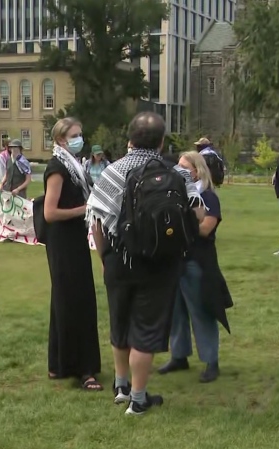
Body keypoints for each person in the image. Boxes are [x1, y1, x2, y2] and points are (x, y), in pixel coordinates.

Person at [87, 112, 205, 415]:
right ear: (162, 141)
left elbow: (97, 222)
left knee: (121, 321)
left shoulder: (112, 172)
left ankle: (122, 385)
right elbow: (198, 214)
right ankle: (138, 399)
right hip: (160, 262)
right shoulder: (177, 174)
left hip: (118, 259)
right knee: (146, 328)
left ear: (130, 139)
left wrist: (105, 259)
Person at [157, 151, 232, 383]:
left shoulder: (208, 197)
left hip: (197, 262)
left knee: (201, 312)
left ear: (196, 171)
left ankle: (211, 361)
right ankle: (179, 356)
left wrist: (179, 220)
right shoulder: (176, 195)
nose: (178, 171)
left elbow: (205, 228)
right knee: (176, 312)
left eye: (183, 167)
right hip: (175, 261)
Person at [42, 117, 103, 392]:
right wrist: (85, 209)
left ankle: (59, 362)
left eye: (81, 133)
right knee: (75, 299)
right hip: (63, 240)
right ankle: (83, 368)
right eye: (74, 135)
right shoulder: (58, 169)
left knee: (65, 298)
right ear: (61, 140)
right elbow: (50, 212)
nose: (80, 139)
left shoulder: (74, 166)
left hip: (73, 238)